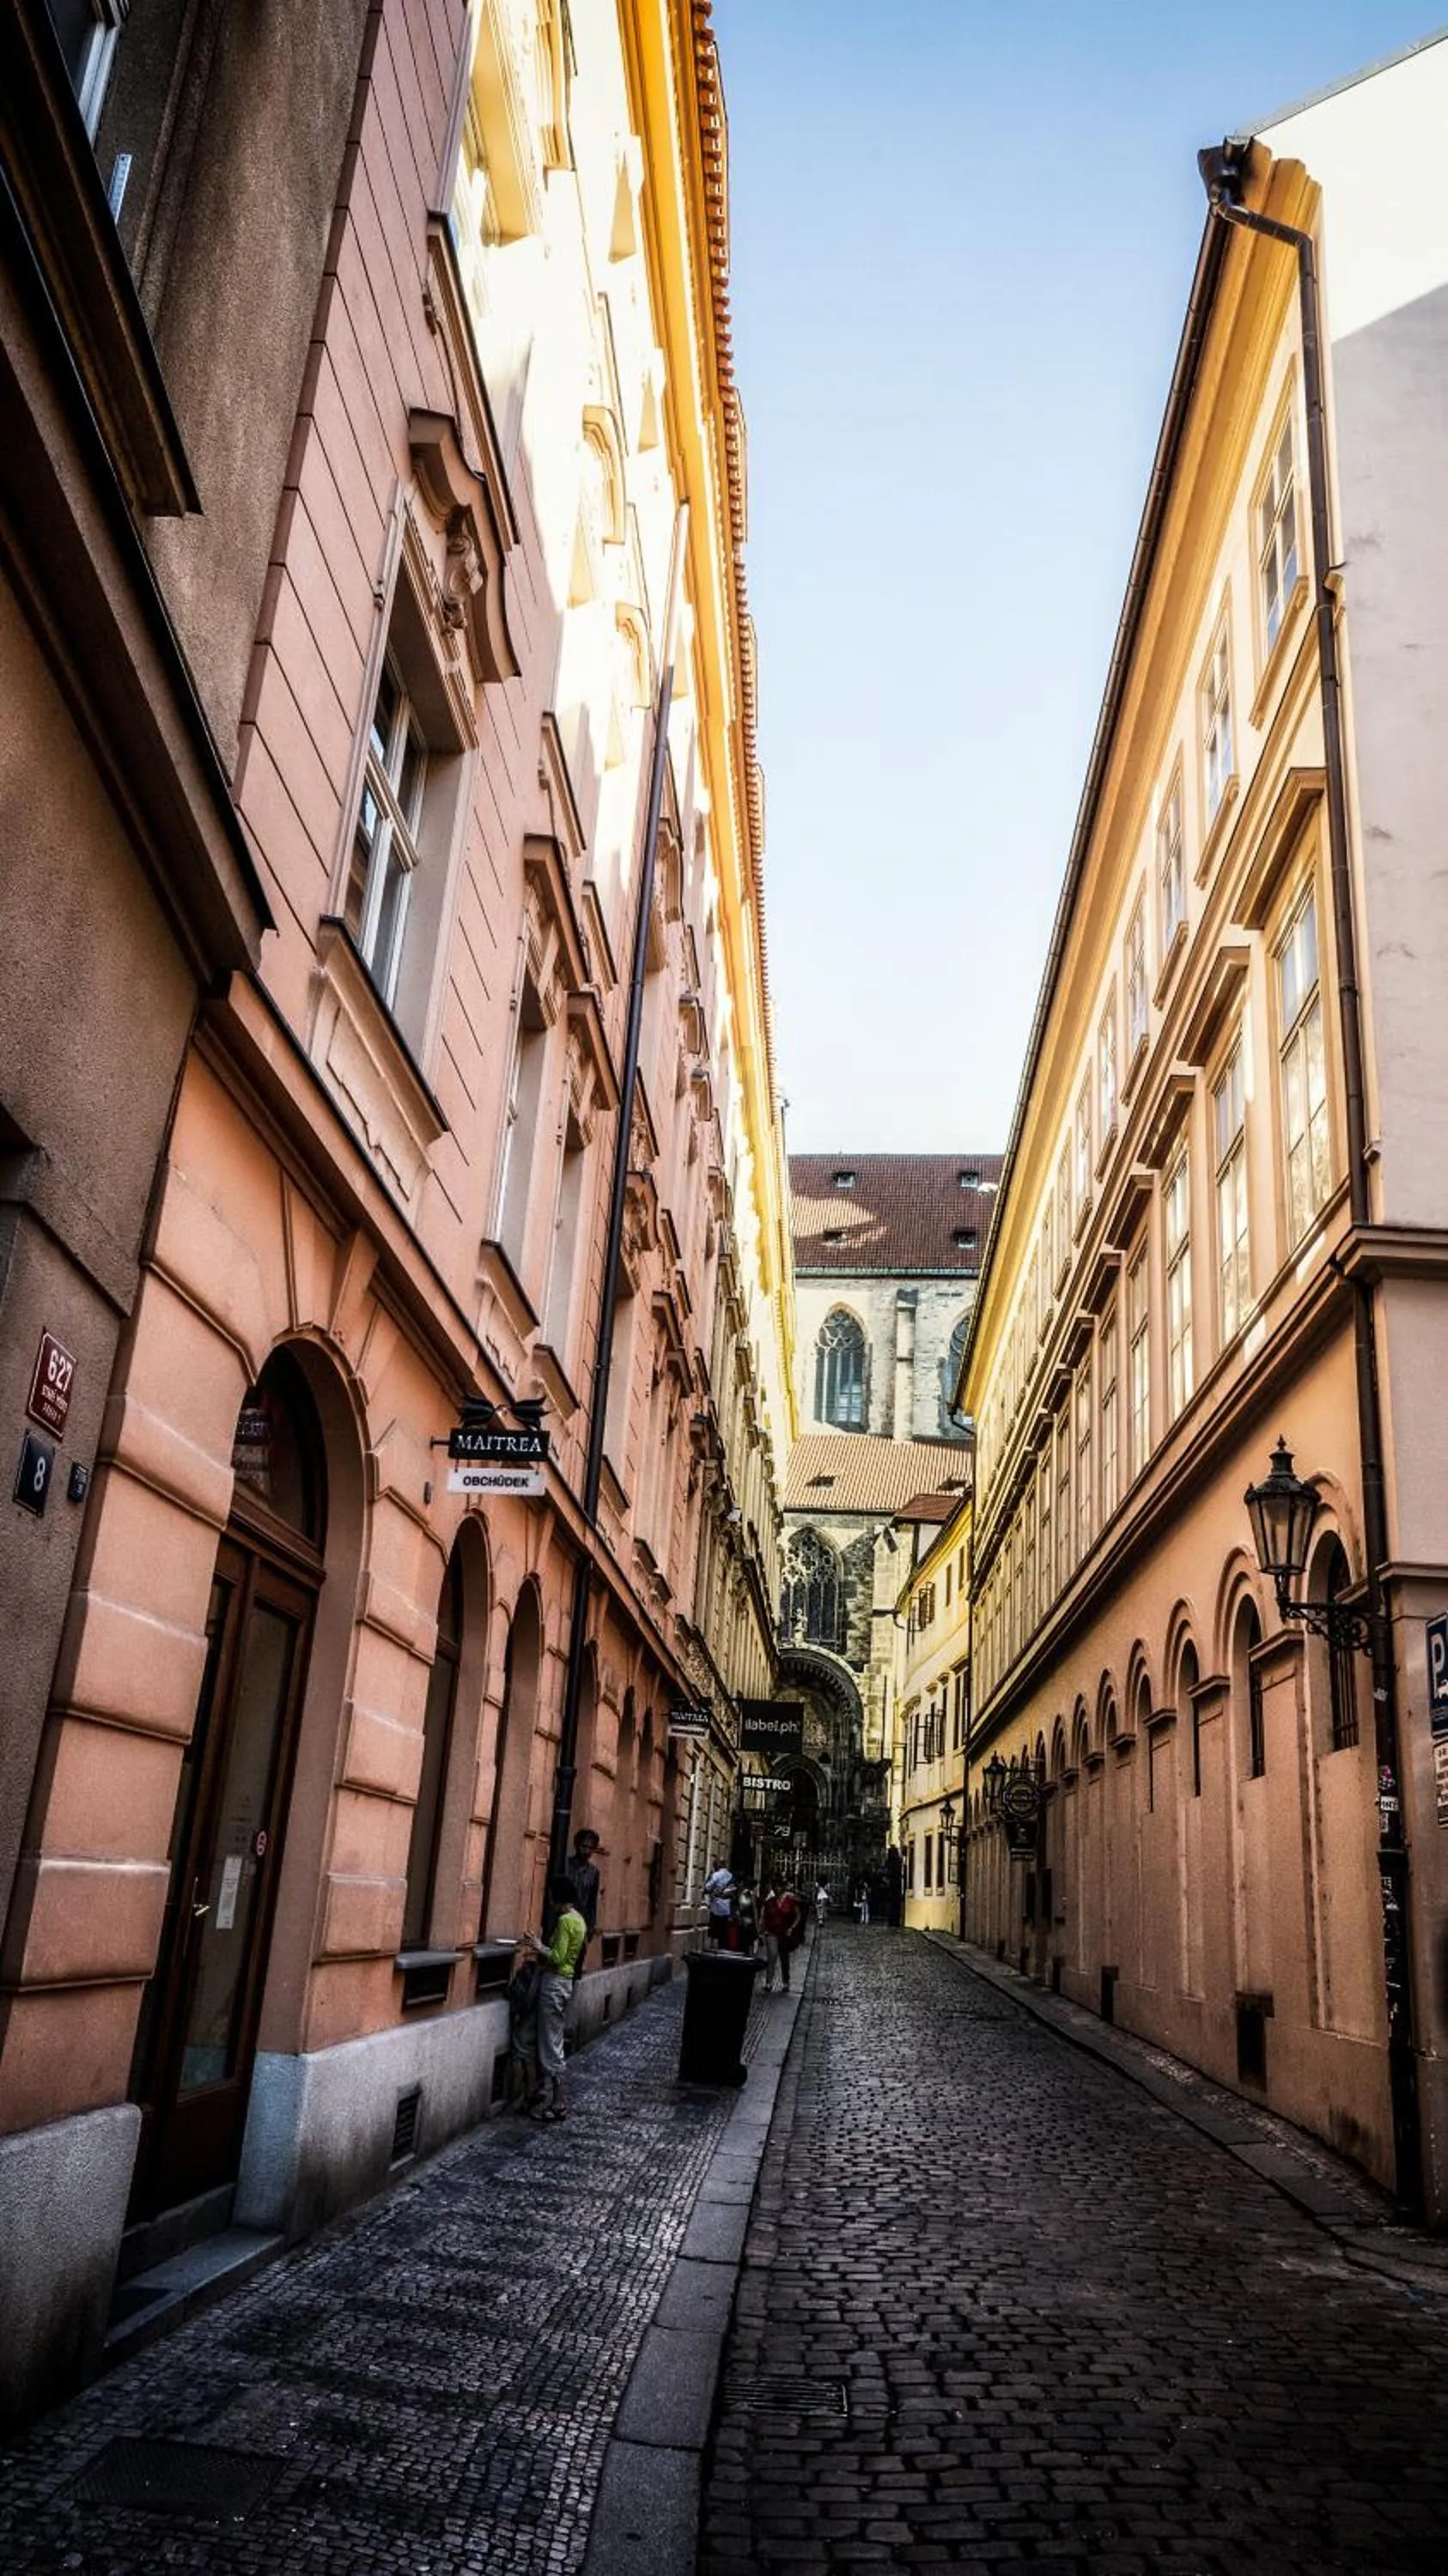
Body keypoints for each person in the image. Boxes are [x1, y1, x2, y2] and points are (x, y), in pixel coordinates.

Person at [521, 1874, 587, 2121]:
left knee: (551, 2042)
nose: (549, 1901)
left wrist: (538, 1946)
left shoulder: (564, 1921)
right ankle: (552, 2096)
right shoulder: (580, 1920)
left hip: (555, 1982)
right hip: (566, 1982)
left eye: (551, 1896)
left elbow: (558, 1957)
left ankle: (559, 2101)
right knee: (553, 2038)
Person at [563, 1827, 601, 1960]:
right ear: (577, 1845)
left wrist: (590, 1929)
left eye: (591, 1848)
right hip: (563, 1921)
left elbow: (592, 1902)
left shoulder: (593, 1873)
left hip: (580, 1924)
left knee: (575, 1964)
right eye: (584, 1846)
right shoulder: (565, 1865)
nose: (587, 1851)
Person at [763, 1883, 802, 1990]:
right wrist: (763, 1931)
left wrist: (792, 1928)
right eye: (775, 1887)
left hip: (785, 1933)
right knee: (773, 1956)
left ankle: (785, 1982)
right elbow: (764, 1916)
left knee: (784, 1958)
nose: (777, 1889)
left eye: (779, 1887)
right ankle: (769, 1982)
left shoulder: (790, 1901)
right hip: (772, 1931)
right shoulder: (770, 1902)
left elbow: (798, 1915)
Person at [703, 1862, 735, 1947]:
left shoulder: (716, 1875)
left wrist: (708, 1878)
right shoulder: (730, 1876)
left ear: (718, 1866)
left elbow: (707, 1887)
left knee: (714, 1932)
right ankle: (721, 1948)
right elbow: (733, 1890)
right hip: (727, 1908)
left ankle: (714, 1948)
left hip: (716, 1907)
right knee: (723, 1932)